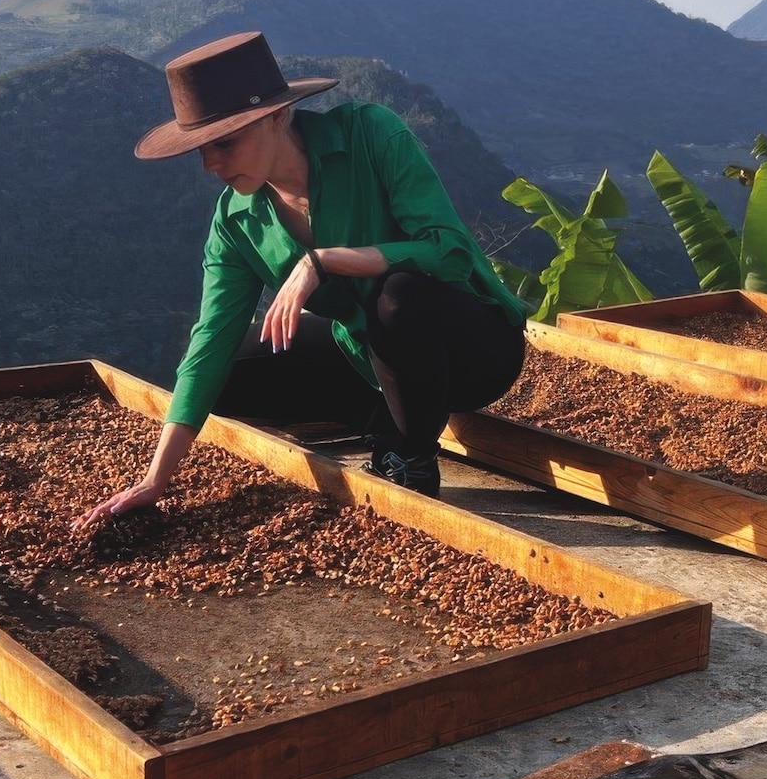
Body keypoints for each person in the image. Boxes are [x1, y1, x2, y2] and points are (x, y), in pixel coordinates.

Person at [75, 30, 527, 523]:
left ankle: (412, 456)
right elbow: (210, 341)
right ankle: (382, 416)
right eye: (200, 150)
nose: (210, 165)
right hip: (370, 357)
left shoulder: (370, 136)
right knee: (232, 370)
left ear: (277, 115)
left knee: (400, 294)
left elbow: (449, 252)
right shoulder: (236, 220)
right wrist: (154, 480)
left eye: (224, 143)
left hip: (471, 350)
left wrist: (325, 259)